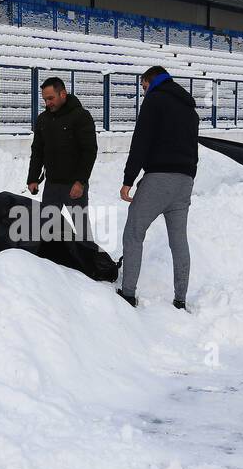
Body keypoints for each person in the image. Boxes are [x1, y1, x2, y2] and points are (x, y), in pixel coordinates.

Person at [118, 66, 199, 310]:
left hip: (159, 177)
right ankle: (180, 299)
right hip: (185, 181)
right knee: (178, 241)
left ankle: (129, 294)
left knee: (133, 232)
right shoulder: (189, 108)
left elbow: (141, 140)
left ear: (150, 81)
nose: (144, 93)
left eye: (143, 87)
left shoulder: (155, 100)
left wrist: (128, 179)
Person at [27, 77, 98, 241]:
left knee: (82, 232)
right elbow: (37, 151)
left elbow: (89, 151)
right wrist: (33, 178)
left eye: (51, 98)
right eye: (45, 99)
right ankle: (51, 263)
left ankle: (90, 264)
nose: (47, 103)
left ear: (63, 94)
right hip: (52, 185)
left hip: (74, 186)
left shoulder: (81, 116)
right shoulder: (43, 119)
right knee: (46, 230)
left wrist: (80, 181)